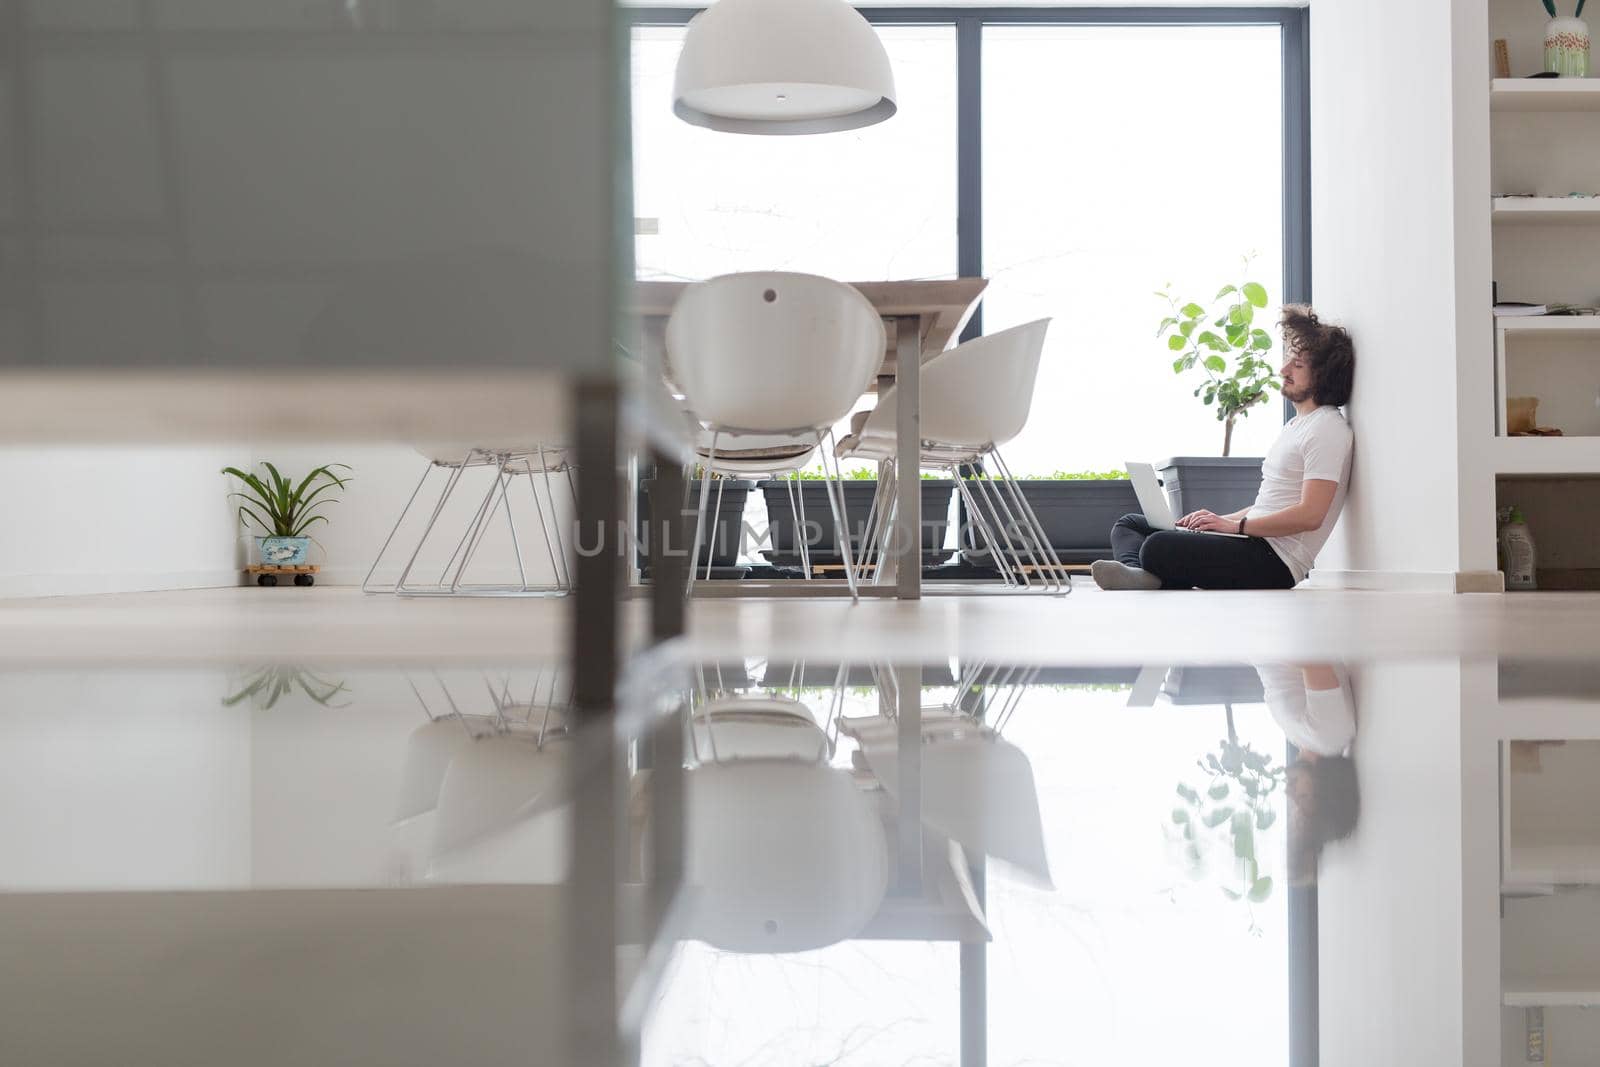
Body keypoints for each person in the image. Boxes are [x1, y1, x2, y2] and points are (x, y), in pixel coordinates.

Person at [1092, 305, 1356, 591]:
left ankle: (1148, 574)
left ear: (1322, 376)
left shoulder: (1327, 428)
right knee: (1130, 524)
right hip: (1251, 540)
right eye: (1287, 360)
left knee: (1158, 546)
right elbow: (1267, 506)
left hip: (1275, 562)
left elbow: (1310, 514)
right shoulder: (1296, 426)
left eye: (1298, 365)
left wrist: (1236, 527)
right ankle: (1140, 575)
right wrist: (1217, 521)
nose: (1283, 369)